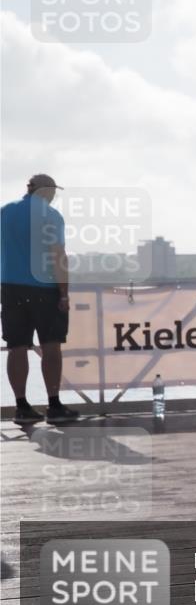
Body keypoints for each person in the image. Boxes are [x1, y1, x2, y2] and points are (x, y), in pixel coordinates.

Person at [1, 174, 80, 426]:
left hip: (11, 287)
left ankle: (22, 406)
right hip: (44, 288)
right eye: (53, 192)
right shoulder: (51, 216)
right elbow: (58, 256)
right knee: (51, 345)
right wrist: (64, 293)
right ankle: (54, 405)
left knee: (17, 347)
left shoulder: (5, 212)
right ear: (46, 192)